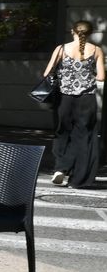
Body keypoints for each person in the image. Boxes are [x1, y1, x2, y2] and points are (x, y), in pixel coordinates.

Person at [42, 20, 105, 188]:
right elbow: (101, 77)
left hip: (64, 98)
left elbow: (47, 73)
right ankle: (78, 178)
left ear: (72, 31)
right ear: (90, 33)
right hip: (86, 99)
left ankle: (60, 167)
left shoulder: (61, 49)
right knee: (84, 136)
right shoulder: (97, 50)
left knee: (62, 132)